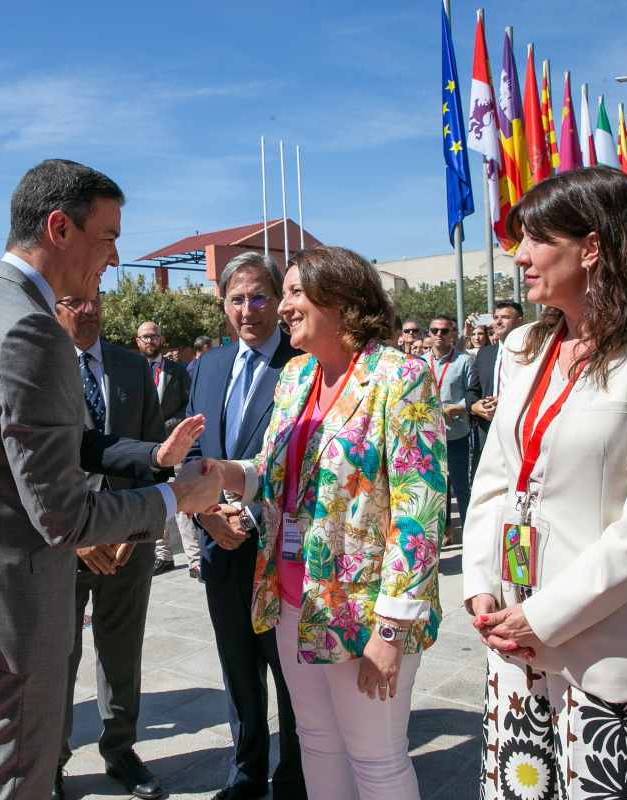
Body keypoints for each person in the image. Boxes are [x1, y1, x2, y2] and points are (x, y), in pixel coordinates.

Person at [0, 158, 221, 800]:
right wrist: (177, 497)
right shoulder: (30, 329)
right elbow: (64, 518)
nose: (113, 258)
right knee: (17, 782)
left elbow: (35, 444)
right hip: (14, 608)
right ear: (59, 227)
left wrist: (152, 459)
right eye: (108, 236)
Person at [463, 166, 627, 798]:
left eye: (534, 239)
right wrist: (478, 587)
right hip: (514, 650)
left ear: (592, 246)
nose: (518, 256)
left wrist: (542, 617)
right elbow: (493, 479)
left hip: (609, 652)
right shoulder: (523, 346)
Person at [207, 246, 446, 800]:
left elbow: (420, 509)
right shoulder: (294, 377)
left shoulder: (399, 376)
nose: (281, 306)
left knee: (377, 761)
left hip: (365, 611)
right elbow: (271, 475)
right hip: (293, 600)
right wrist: (222, 472)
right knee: (316, 743)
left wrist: (392, 627)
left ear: (337, 298)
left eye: (293, 292)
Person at [55, 294, 199, 800]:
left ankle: (120, 749)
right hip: (64, 544)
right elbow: (32, 464)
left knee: (121, 650)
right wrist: (74, 538)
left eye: (94, 301)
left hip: (126, 541)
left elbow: (150, 455)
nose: (87, 310)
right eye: (75, 301)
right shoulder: (40, 363)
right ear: (54, 307)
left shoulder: (131, 366)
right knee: (59, 656)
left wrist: (134, 530)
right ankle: (51, 762)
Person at [184, 251, 307, 800]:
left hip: (278, 547)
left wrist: (250, 512)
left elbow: (306, 460)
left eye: (259, 296)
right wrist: (209, 514)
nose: (248, 309)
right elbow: (194, 454)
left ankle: (295, 776)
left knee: (288, 672)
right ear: (223, 305)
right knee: (237, 667)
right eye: (237, 298)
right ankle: (246, 772)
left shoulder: (301, 363)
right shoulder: (208, 367)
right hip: (219, 546)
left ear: (278, 302)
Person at [136, 320, 193, 575]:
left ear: (161, 339)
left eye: (154, 336)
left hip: (176, 443)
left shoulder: (178, 371)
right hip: (146, 447)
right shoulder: (131, 372)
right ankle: (163, 555)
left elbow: (188, 406)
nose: (150, 341)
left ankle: (195, 559)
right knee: (156, 497)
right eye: (145, 337)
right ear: (138, 342)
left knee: (182, 497)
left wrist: (168, 426)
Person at [426, 314, 474, 542]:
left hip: (455, 434)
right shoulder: (421, 363)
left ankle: (469, 531)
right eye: (434, 330)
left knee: (460, 487)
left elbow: (473, 394)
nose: (439, 335)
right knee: (436, 489)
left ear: (452, 333)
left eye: (444, 331)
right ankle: (444, 532)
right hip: (429, 437)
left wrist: (456, 408)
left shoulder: (464, 361)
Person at [465, 300, 525, 475]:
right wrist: (474, 406)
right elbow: (472, 390)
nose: (498, 322)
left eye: (505, 317)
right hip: (487, 428)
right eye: (496, 317)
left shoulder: (531, 352)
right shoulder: (485, 353)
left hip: (517, 428)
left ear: (520, 321)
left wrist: (505, 402)